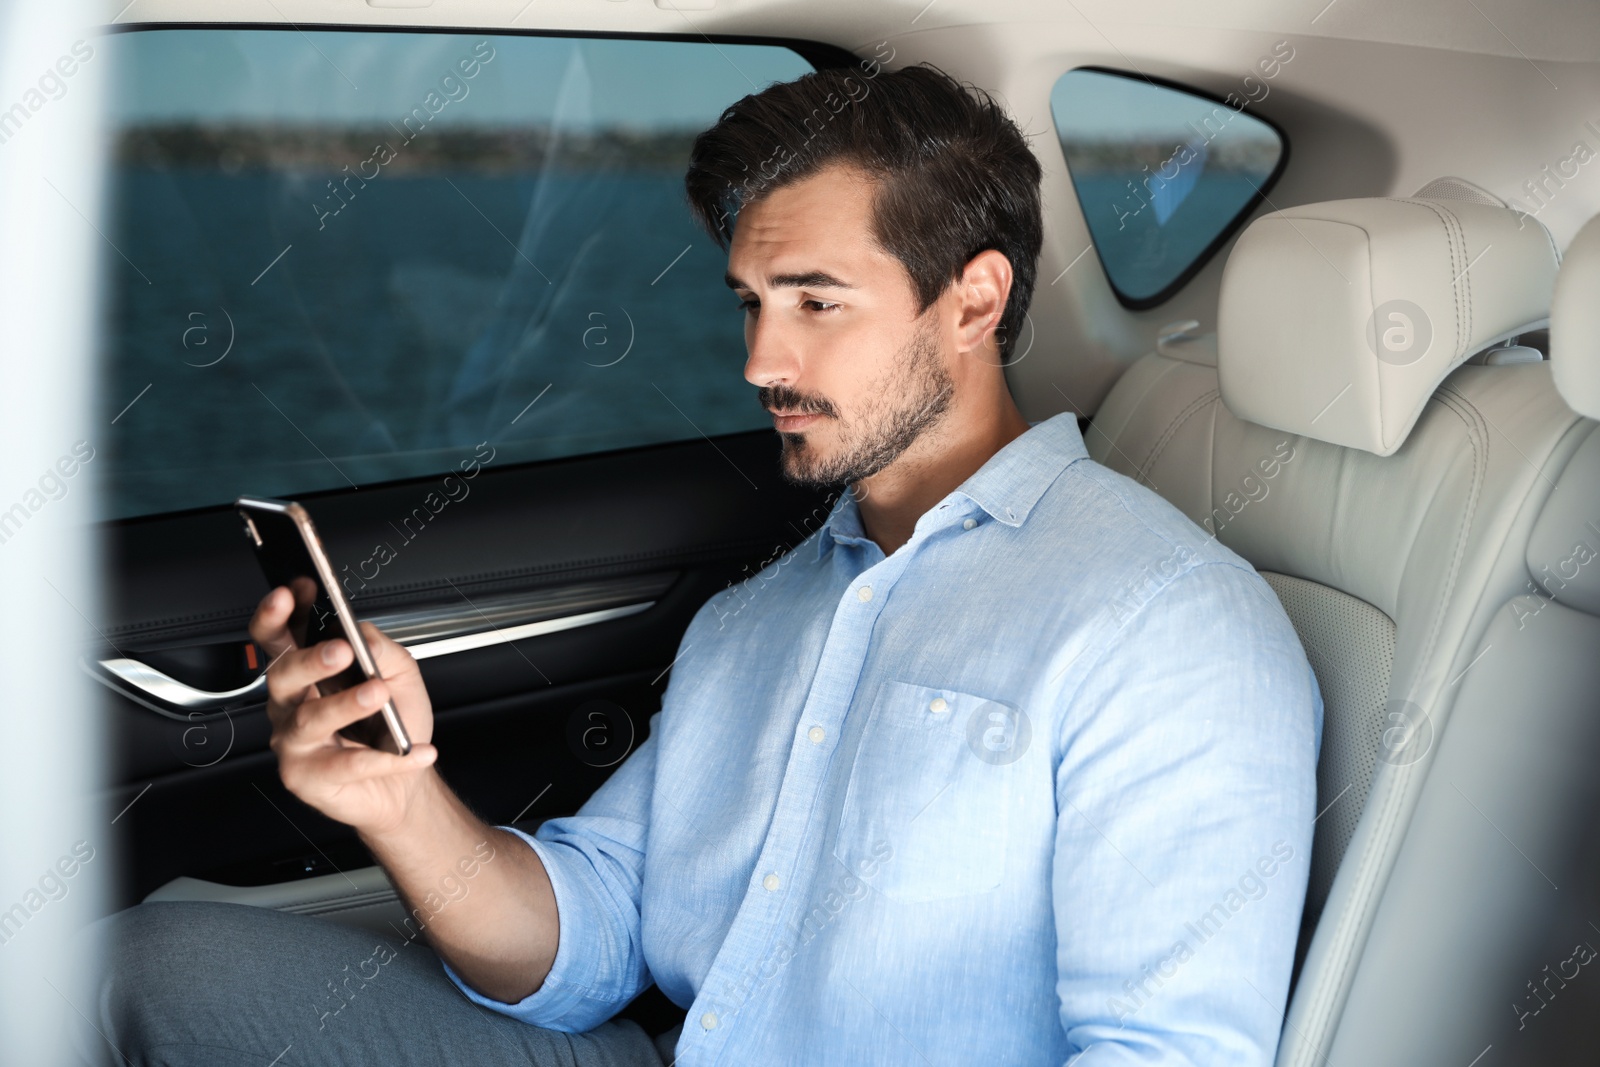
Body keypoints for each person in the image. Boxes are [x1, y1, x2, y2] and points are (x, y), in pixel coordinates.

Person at [78, 62, 1321, 1066]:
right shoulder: (758, 615)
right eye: (748, 301)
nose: (760, 361)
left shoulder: (1165, 623)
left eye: (816, 301)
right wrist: (399, 801)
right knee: (147, 963)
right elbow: (589, 940)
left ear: (973, 300)